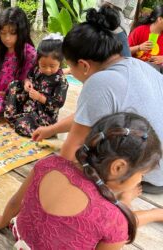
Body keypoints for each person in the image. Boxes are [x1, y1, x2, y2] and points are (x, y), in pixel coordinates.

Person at [0, 112, 163, 249]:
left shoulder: (49, 163)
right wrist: (124, 201)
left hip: (22, 241)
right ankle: (156, 213)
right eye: (142, 174)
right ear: (118, 167)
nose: (141, 179)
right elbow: (110, 219)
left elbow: (15, 201)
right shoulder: (115, 220)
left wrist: (1, 221)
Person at [32, 7, 163, 194]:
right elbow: (86, 115)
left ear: (84, 65)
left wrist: (47, 190)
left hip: (149, 175)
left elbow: (71, 149)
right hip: (157, 167)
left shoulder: (99, 82)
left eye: (69, 66)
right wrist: (51, 130)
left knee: (87, 150)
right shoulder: (138, 65)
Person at [4, 33, 68, 137]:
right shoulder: (36, 69)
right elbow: (29, 76)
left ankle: (44, 131)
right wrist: (27, 83)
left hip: (43, 115)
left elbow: (58, 103)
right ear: (38, 61)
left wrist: (40, 97)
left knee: (21, 126)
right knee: (14, 85)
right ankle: (13, 115)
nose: (47, 69)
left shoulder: (61, 81)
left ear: (60, 63)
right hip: (29, 104)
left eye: (52, 66)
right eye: (43, 65)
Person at [128, 5, 163, 72]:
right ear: (160, 19)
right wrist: (139, 47)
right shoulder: (140, 31)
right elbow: (124, 51)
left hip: (154, 72)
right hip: (134, 68)